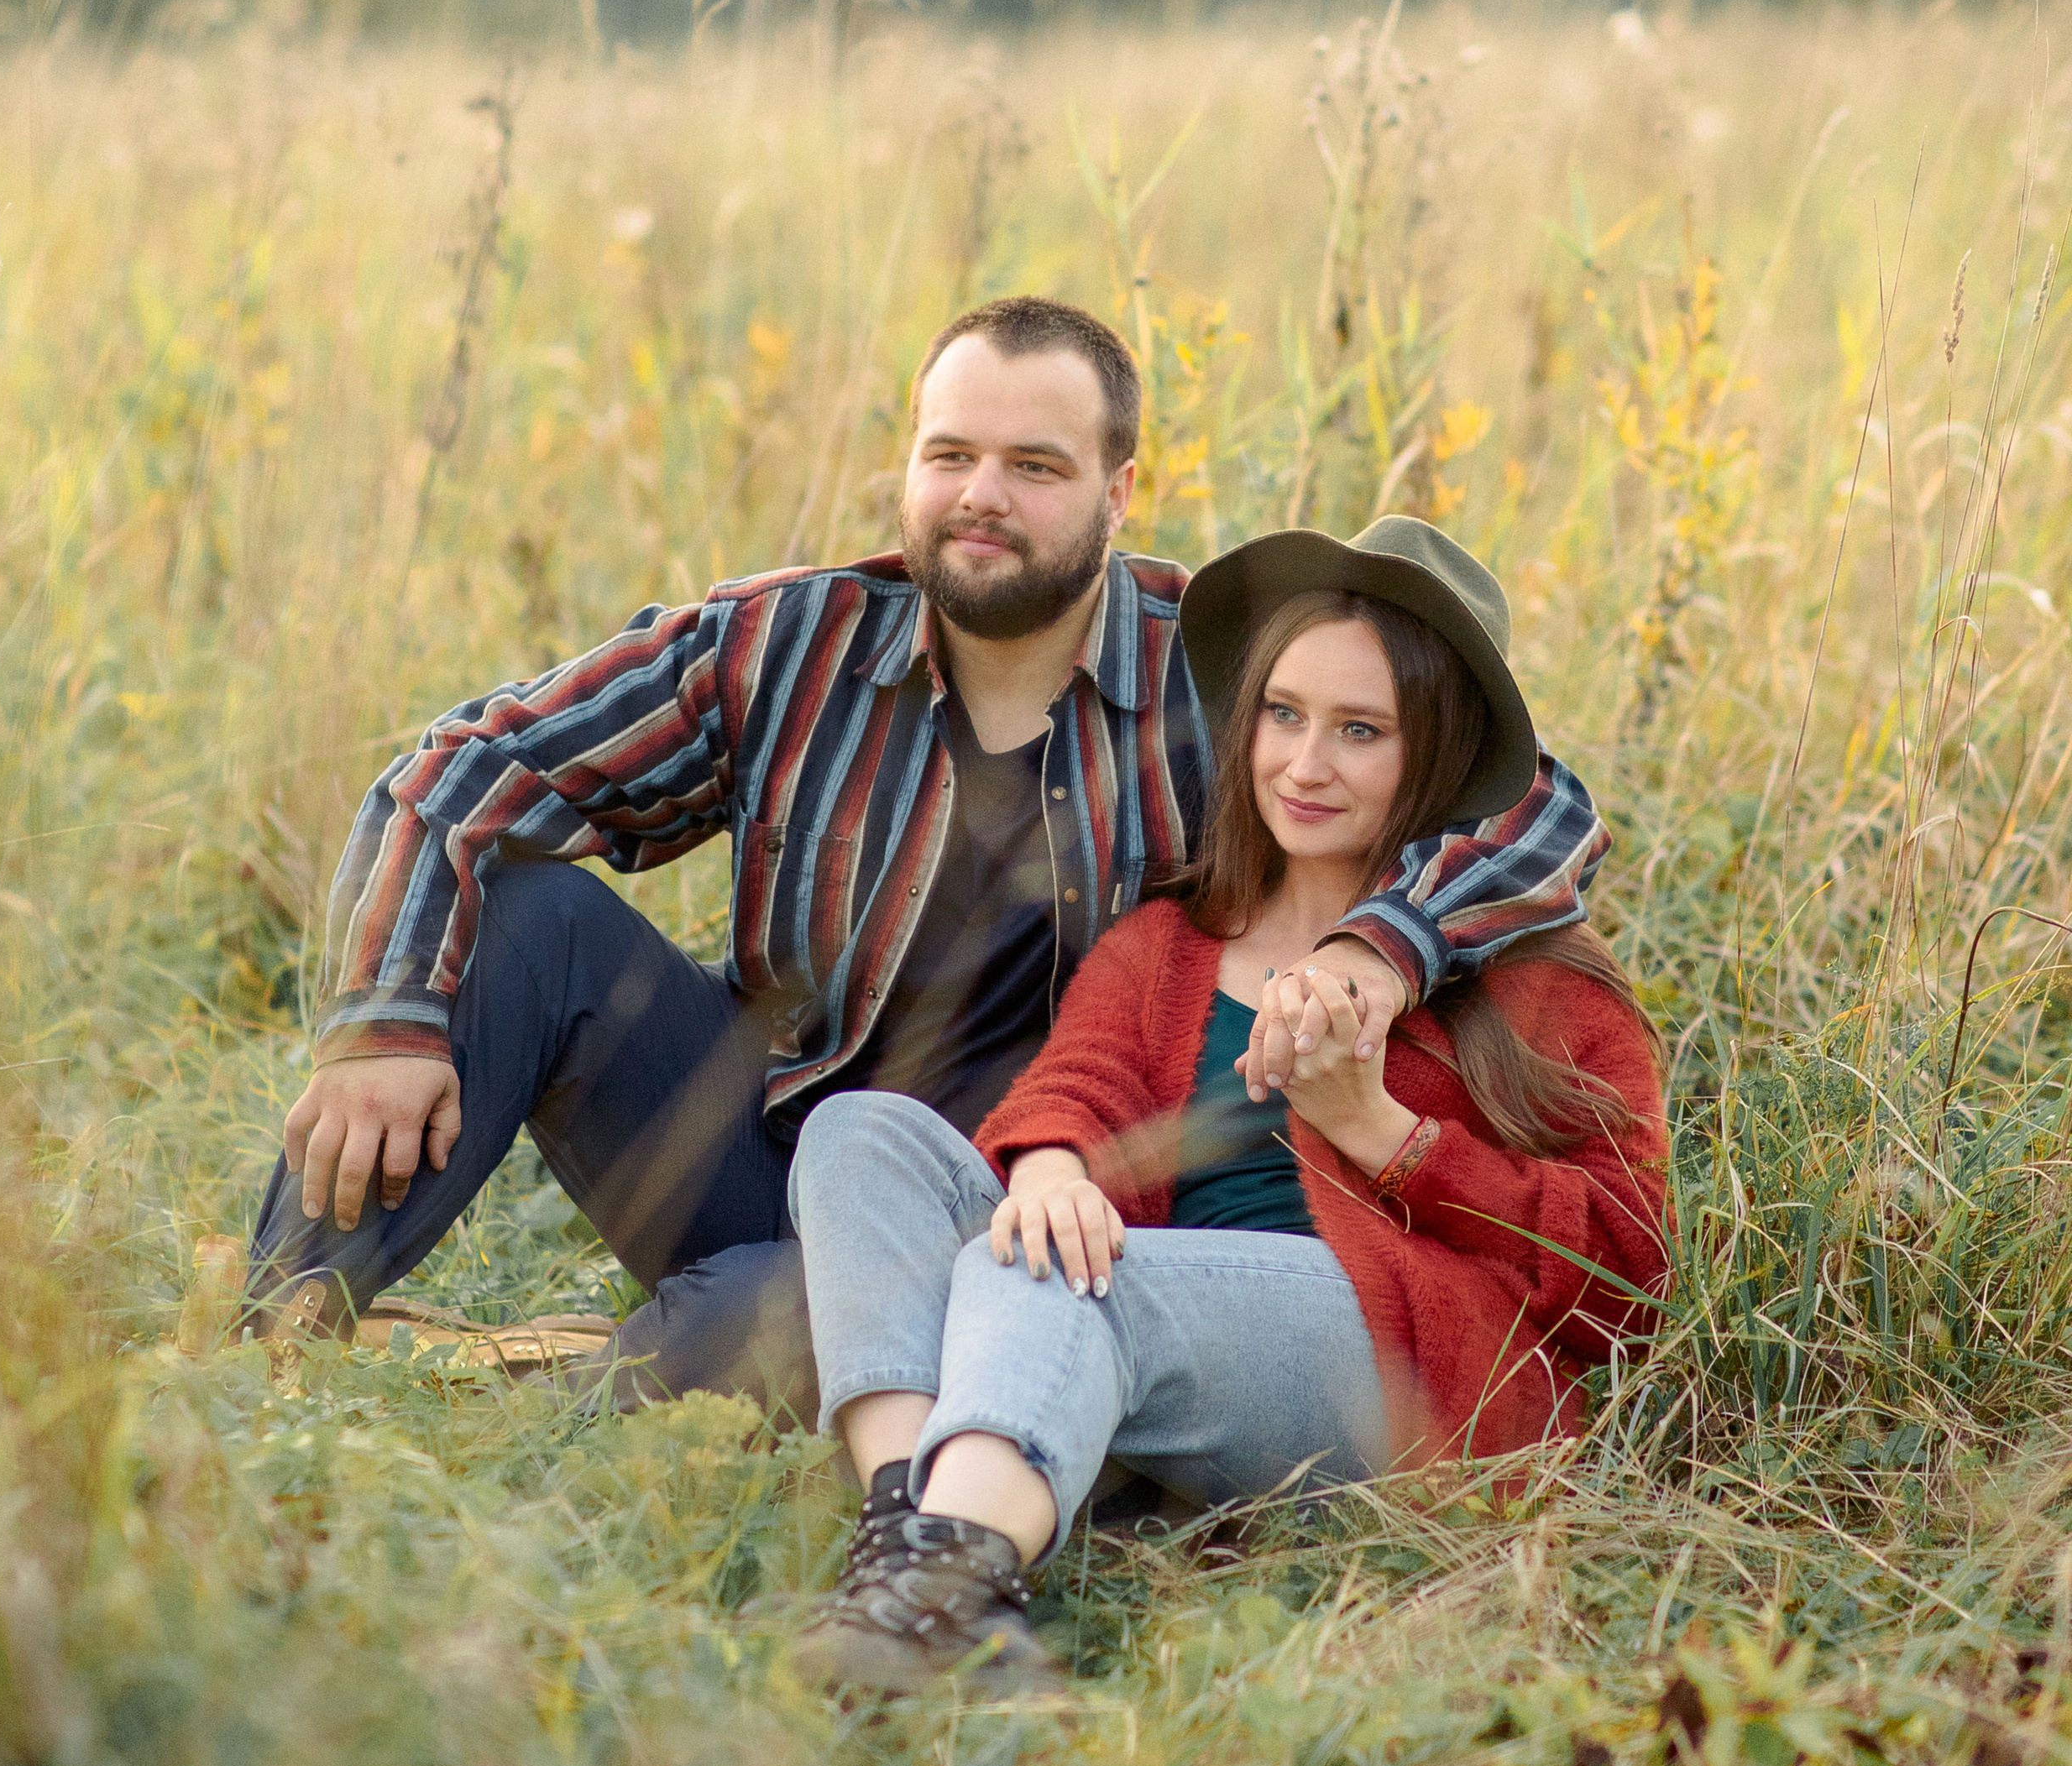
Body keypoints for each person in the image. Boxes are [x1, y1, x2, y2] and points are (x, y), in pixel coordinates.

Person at [248, 298, 1613, 1409]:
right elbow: (465, 766)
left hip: (1026, 1219)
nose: (982, 499)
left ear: (1120, 490)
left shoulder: (1216, 673)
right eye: (951, 454)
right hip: (770, 1158)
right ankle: (271, 1334)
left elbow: (1530, 800)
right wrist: (385, 1023)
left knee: (752, 1322)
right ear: (906, 463)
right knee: (526, 918)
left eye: (1035, 466)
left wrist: (1383, 948)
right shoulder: (780, 645)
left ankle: (526, 1387)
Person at [787, 515, 1670, 1690]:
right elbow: (1079, 1083)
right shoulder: (1172, 939)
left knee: (1051, 1273)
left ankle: (936, 1596)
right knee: (860, 1133)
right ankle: (910, 1541)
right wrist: (1051, 1166)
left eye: (1362, 731)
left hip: (1395, 1367)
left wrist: (1386, 1136)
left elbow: (1633, 1274)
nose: (1305, 766)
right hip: (1166, 1326)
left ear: (1440, 754)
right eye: (1285, 715)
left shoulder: (1534, 984)